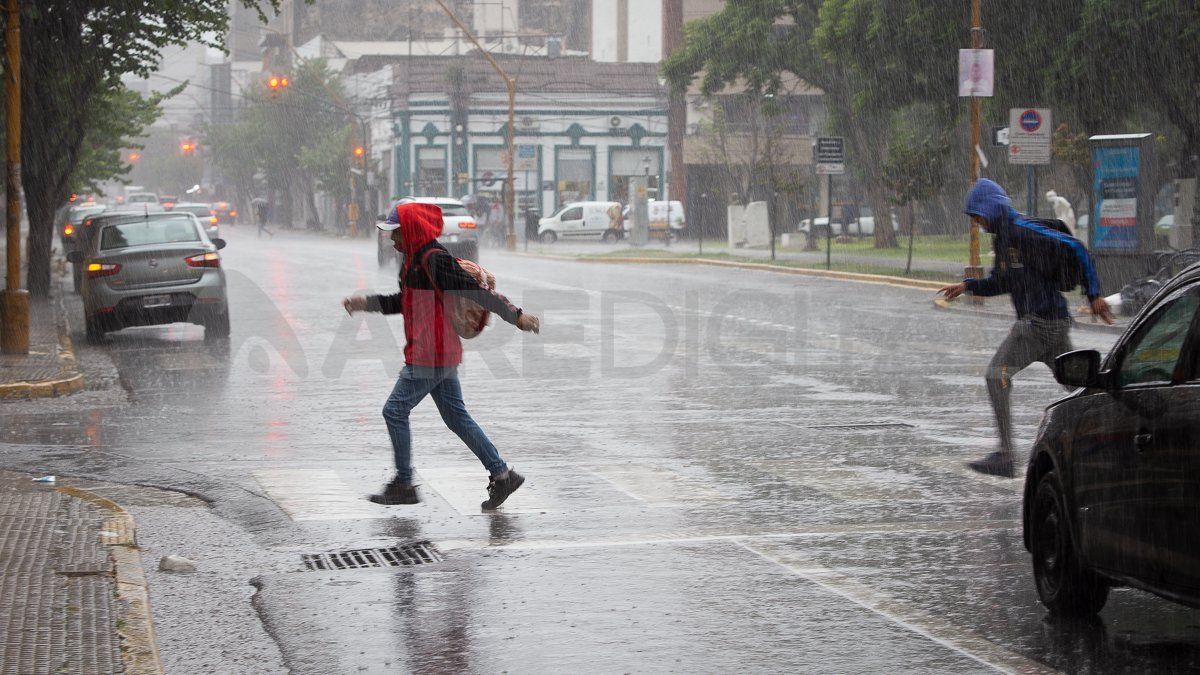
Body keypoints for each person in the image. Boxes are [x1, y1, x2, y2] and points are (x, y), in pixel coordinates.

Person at [342, 202, 541, 509]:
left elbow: (477, 292)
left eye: (396, 233)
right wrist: (365, 303)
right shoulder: (412, 262)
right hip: (437, 352)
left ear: (411, 232)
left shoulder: (435, 261)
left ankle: (405, 483)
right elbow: (402, 302)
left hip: (431, 353)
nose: (392, 240)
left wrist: (516, 316)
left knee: (394, 410)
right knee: (456, 418)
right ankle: (503, 475)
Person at [938, 179, 1114, 478]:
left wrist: (1093, 293)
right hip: (1052, 324)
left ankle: (1006, 455)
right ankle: (1113, 431)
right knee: (1076, 383)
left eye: (977, 216)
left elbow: (1077, 248)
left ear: (990, 208)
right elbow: (1002, 282)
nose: (977, 223)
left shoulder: (1023, 229)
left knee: (997, 375)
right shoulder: (1003, 238)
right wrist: (967, 286)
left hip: (1038, 323)